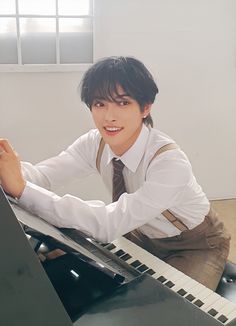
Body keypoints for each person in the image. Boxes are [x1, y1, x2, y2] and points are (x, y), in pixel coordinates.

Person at [0, 56, 230, 290]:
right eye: (100, 104)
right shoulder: (94, 143)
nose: (109, 116)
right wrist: (7, 169)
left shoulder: (169, 162)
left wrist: (21, 189)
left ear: (145, 107)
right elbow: (43, 175)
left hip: (194, 243)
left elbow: (109, 223)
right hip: (138, 233)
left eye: (122, 103)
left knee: (176, 314)